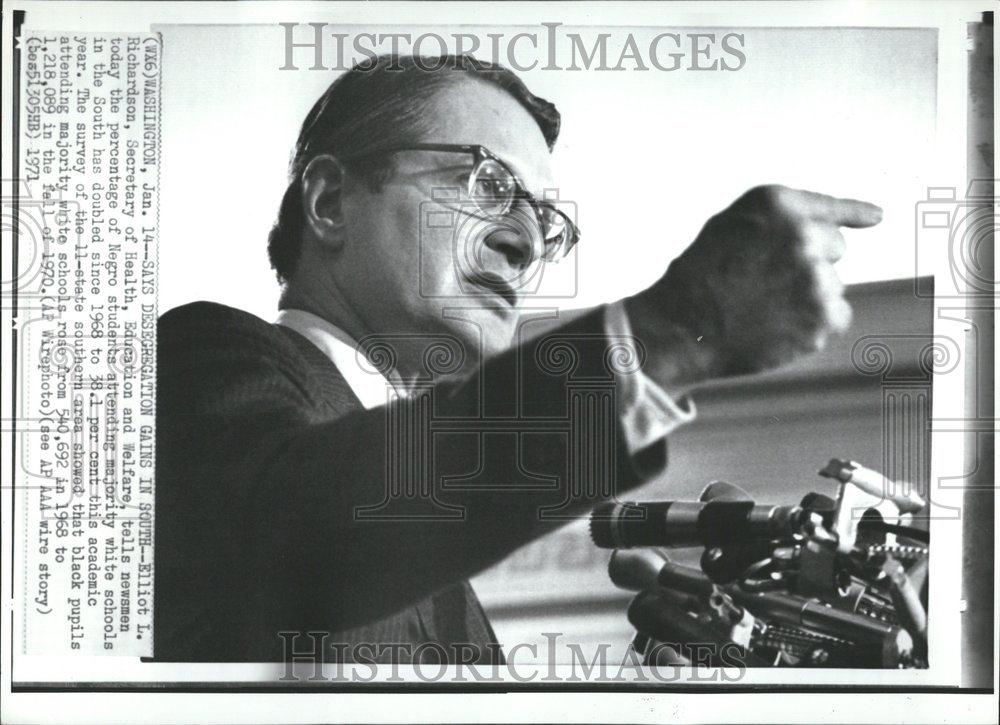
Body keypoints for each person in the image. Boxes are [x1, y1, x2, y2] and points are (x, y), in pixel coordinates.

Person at [153, 54, 882, 663]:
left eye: (547, 219)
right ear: (331, 202)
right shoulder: (204, 359)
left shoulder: (447, 575)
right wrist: (675, 326)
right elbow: (304, 529)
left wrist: (657, 685)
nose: (527, 242)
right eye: (489, 184)